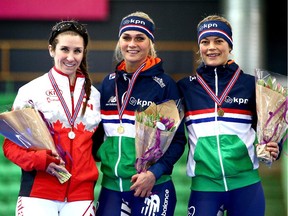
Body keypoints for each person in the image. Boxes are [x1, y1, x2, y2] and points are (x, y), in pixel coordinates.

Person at [177, 15, 281, 216]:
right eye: (205, 42)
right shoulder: (186, 87)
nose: (212, 47)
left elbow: (271, 130)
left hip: (246, 186)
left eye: (219, 41)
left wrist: (275, 146)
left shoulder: (251, 85)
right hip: (204, 188)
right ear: (199, 47)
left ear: (230, 45)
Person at [2, 20, 101, 215]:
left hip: (81, 197)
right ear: (51, 50)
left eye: (77, 51)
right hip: (38, 196)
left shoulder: (95, 96)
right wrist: (40, 160)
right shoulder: (31, 91)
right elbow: (10, 147)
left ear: (84, 53)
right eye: (64, 49)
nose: (71, 57)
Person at [93, 11, 186, 216]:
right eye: (126, 37)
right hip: (111, 187)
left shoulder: (165, 85)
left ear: (150, 43)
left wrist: (154, 173)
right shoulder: (108, 84)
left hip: (151, 186)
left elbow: (178, 141)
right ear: (119, 41)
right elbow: (96, 134)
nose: (132, 44)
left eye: (140, 38)